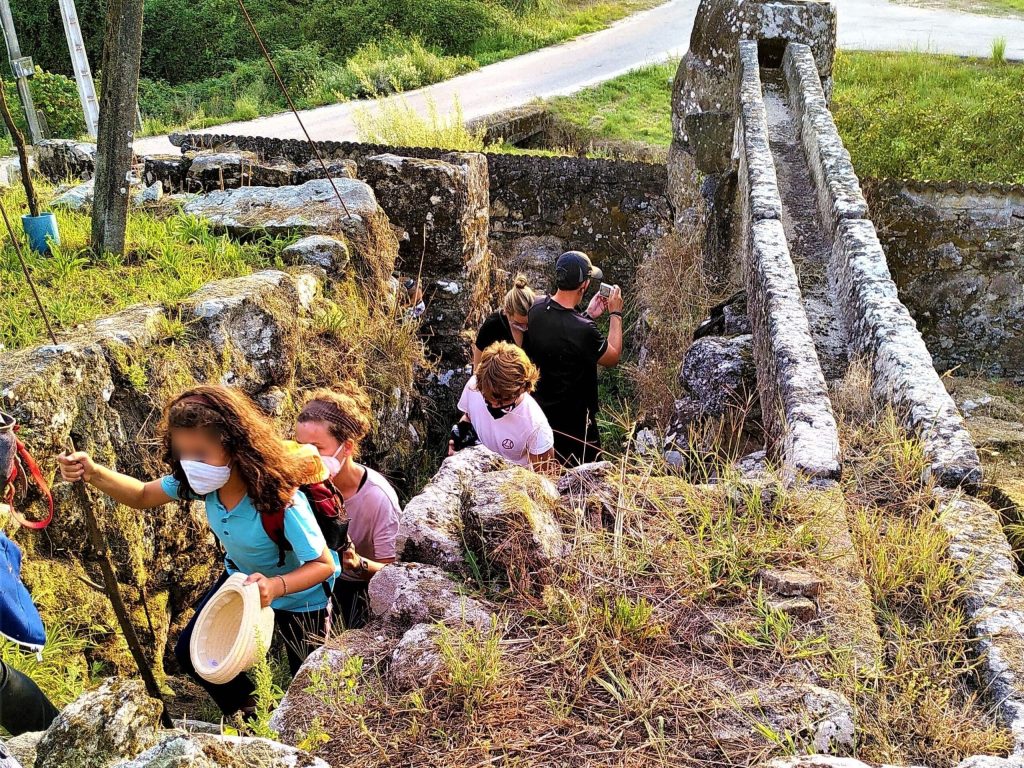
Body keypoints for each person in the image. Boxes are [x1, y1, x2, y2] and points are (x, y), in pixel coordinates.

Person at [57, 385, 338, 719]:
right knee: (194, 653)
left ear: (235, 446)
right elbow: (143, 496)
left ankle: (302, 730)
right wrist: (92, 472)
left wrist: (276, 587)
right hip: (242, 581)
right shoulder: (204, 485)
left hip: (303, 597)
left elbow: (322, 565)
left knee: (310, 686)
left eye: (201, 455)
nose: (191, 465)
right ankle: (255, 715)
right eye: (183, 455)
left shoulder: (282, 499)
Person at [294, 384, 401, 630]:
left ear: (348, 447)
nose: (306, 458)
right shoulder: (299, 484)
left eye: (317, 449)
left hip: (356, 588)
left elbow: (392, 573)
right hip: (314, 578)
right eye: (299, 446)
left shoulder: (378, 499)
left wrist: (356, 563)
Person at [524, 250, 624, 467]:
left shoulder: (536, 308)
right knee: (585, 481)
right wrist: (616, 314)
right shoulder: (583, 330)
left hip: (539, 415)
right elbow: (612, 356)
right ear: (584, 285)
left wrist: (586, 314)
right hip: (576, 424)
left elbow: (563, 332)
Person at [451, 342, 555, 473]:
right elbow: (468, 416)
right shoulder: (474, 387)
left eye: (503, 401)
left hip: (515, 486)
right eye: (488, 400)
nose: (494, 406)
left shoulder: (535, 426)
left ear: (524, 388)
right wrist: (459, 438)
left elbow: (547, 478)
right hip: (478, 471)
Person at [472, 274, 535, 367]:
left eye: (528, 324)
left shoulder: (540, 320)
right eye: (519, 324)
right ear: (506, 312)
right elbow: (477, 366)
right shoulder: (492, 326)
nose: (525, 328)